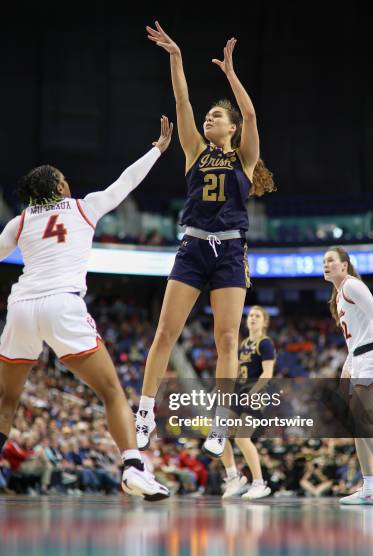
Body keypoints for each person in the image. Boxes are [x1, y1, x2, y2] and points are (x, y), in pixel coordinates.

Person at [0, 117, 173, 501]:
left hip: (22, 308)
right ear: (60, 186)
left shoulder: (21, 220)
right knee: (111, 392)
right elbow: (125, 182)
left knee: (6, 400)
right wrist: (157, 150)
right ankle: (133, 468)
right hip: (63, 305)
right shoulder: (83, 208)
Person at [136, 22, 275, 453]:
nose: (209, 117)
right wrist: (176, 57)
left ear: (231, 129)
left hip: (231, 248)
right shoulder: (195, 150)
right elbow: (182, 100)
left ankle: (221, 421)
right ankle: (142, 411)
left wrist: (231, 75)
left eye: (217, 116)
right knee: (165, 333)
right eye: (209, 115)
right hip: (193, 246)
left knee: (228, 339)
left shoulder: (246, 160)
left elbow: (251, 114)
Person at [323, 246, 373, 504]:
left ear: (344, 265)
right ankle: (369, 485)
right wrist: (348, 365)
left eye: (331, 260)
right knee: (356, 422)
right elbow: (356, 337)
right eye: (323, 261)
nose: (325, 265)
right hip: (360, 358)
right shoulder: (338, 295)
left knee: (360, 416)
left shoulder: (351, 285)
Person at [211, 306, 276, 499]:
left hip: (257, 394)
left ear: (264, 322)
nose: (252, 318)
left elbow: (268, 373)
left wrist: (253, 392)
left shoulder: (265, 343)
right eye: (250, 316)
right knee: (218, 431)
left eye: (257, 316)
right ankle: (234, 477)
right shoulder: (245, 344)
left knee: (241, 437)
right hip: (240, 392)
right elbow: (237, 371)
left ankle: (259, 483)